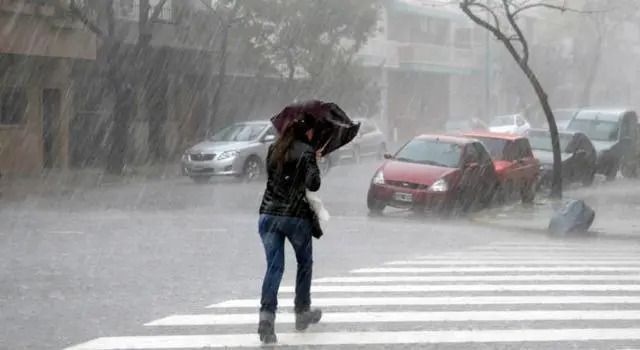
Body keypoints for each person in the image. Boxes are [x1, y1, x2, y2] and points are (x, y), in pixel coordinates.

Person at [257, 115, 322, 344]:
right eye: (312, 131)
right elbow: (313, 184)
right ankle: (302, 312)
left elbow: (274, 178)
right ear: (307, 132)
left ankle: (266, 319)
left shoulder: (274, 148)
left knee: (274, 268)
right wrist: (314, 160)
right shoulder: (306, 151)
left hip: (268, 215)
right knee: (304, 263)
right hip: (295, 217)